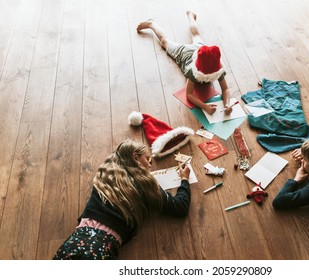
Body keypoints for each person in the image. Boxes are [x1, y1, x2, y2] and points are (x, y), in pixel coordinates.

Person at [53, 139, 192, 260]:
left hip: (75, 240)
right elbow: (180, 207)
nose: (150, 165)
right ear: (135, 158)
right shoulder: (146, 184)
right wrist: (184, 179)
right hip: (100, 246)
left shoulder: (104, 177)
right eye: (147, 159)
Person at [137, 11, 232, 116]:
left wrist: (227, 104)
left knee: (196, 35)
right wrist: (204, 106)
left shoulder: (218, 69)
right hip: (184, 53)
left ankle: (191, 16)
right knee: (164, 42)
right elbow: (189, 94)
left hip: (200, 48)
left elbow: (225, 88)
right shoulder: (193, 71)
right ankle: (151, 24)